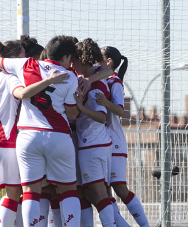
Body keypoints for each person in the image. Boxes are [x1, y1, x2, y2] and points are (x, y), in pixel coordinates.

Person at [0, 40, 70, 227]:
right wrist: (48, 81)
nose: (25, 59)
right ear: (14, 58)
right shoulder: (12, 79)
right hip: (5, 141)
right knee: (13, 194)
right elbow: (23, 94)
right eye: (22, 55)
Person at [96, 46, 149, 227]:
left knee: (119, 188)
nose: (95, 63)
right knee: (104, 192)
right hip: (101, 141)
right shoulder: (100, 80)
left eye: (98, 59)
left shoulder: (115, 81)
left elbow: (120, 110)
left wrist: (105, 102)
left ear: (108, 61)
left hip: (114, 143)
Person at [71, 38, 116, 227]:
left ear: (82, 59)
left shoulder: (97, 85)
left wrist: (80, 107)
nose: (72, 65)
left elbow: (101, 117)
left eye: (74, 60)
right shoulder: (92, 76)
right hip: (94, 144)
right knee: (88, 193)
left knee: (98, 194)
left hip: (94, 145)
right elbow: (107, 70)